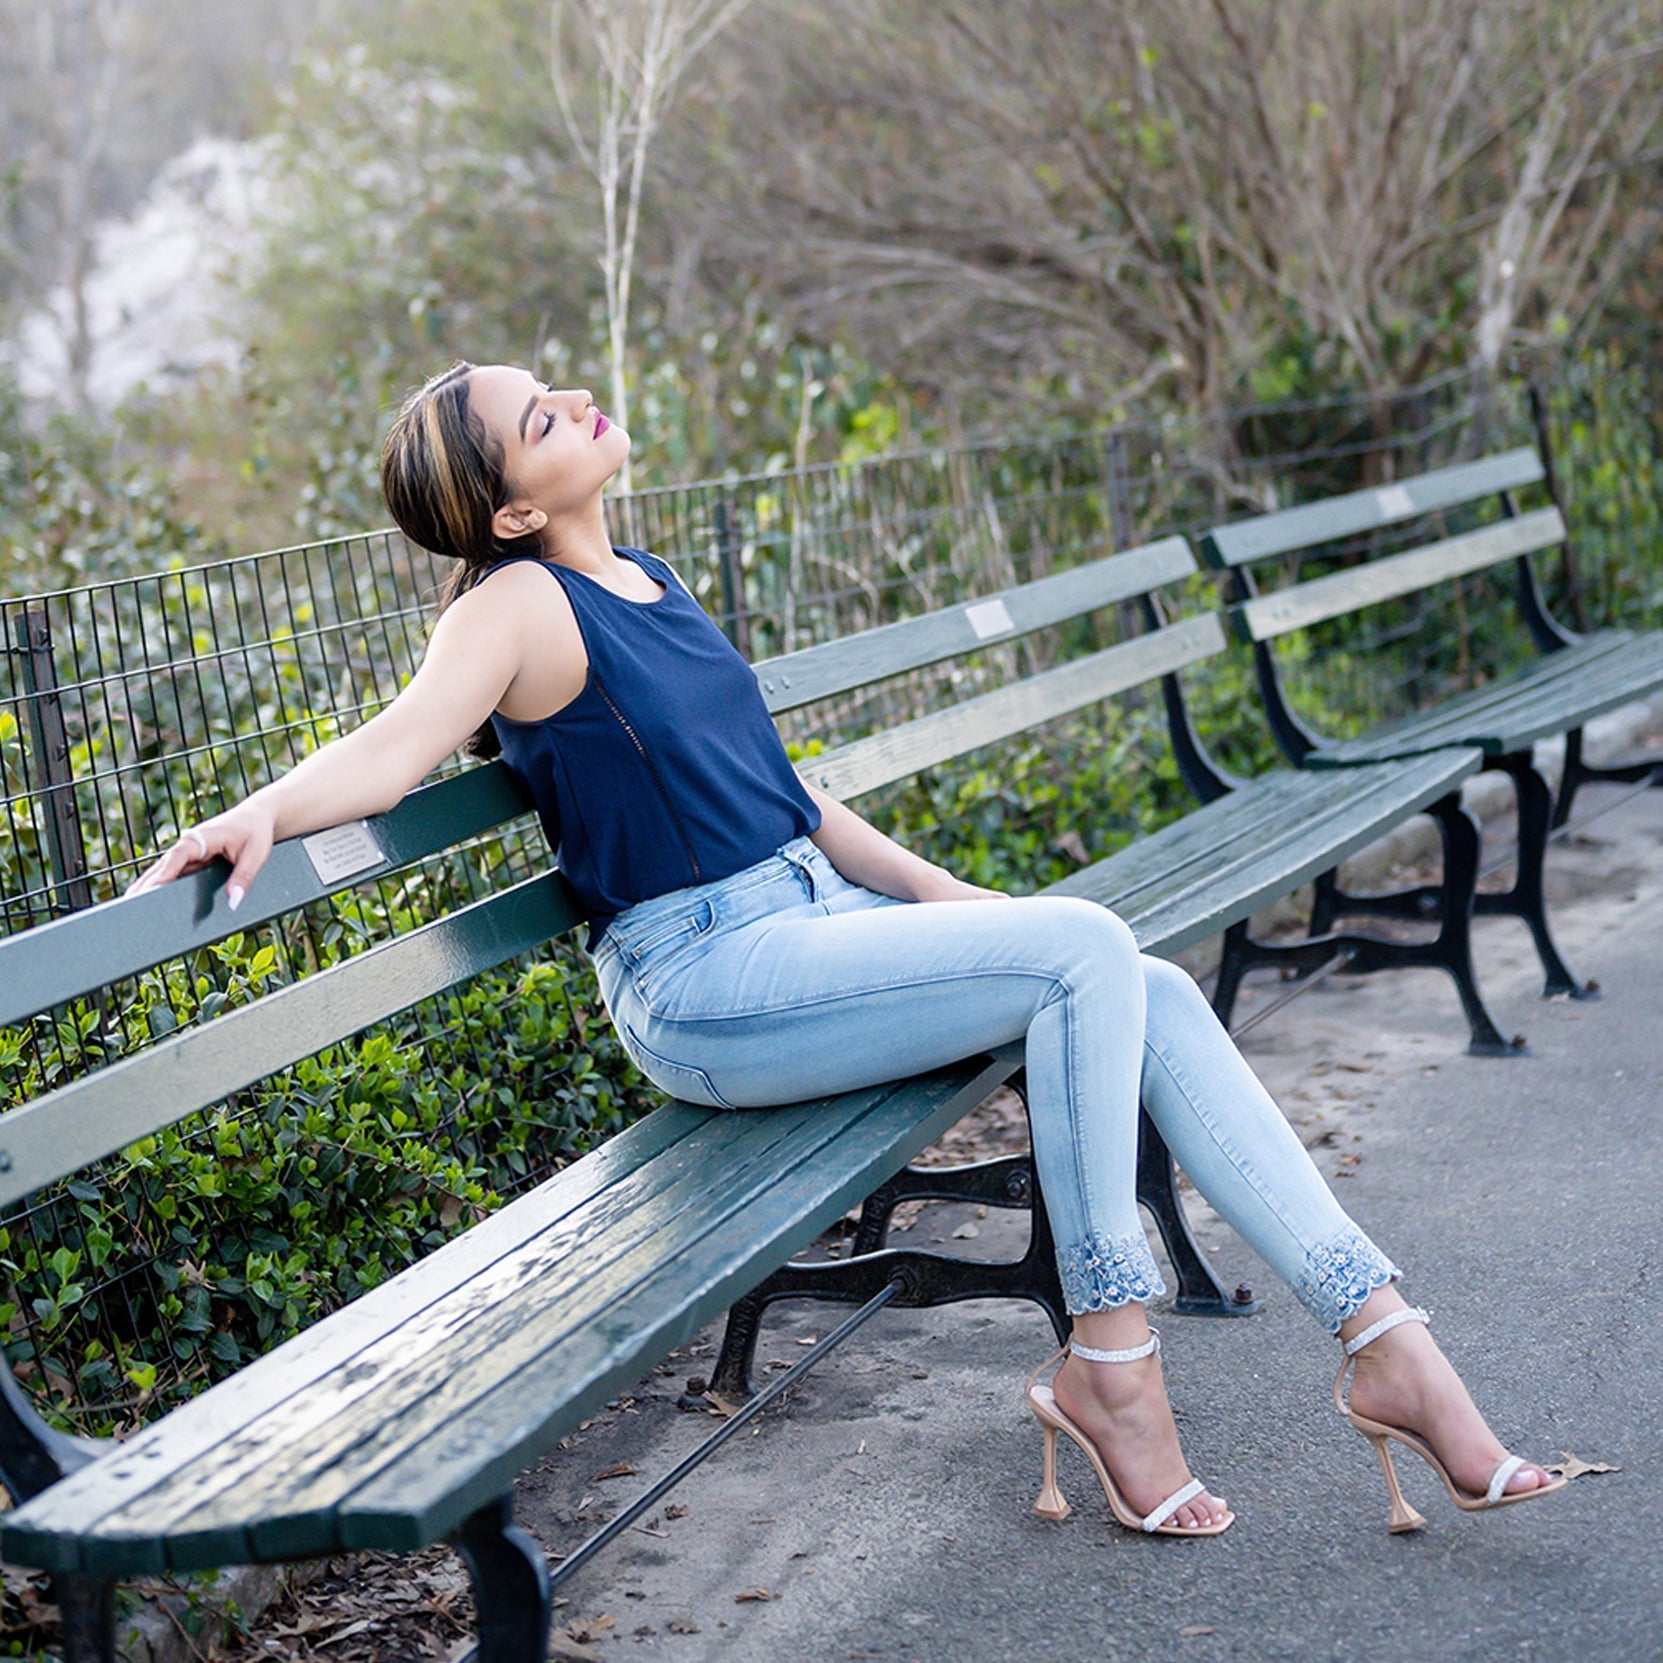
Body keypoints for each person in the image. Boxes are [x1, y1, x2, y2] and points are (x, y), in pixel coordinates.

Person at [131, 363, 1565, 1538]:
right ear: (506, 510)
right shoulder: (517, 607)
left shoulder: (652, 577)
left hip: (813, 930)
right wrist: (258, 811)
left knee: (1141, 979)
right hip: (705, 985)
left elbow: (800, 805)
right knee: (1086, 954)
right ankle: (1112, 1359)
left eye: (555, 388)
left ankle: (1385, 1339)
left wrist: (978, 915)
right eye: (537, 419)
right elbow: (392, 752)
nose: (571, 401)